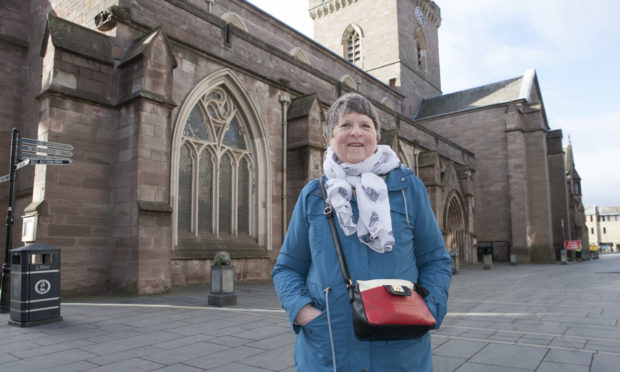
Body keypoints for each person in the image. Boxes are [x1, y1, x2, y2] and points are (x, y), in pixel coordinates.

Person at [272, 93, 452, 371]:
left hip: (401, 352)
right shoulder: (313, 195)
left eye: (365, 125)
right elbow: (287, 267)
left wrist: (431, 306)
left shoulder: (408, 188)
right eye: (345, 125)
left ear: (376, 136)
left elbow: (436, 260)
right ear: (330, 136)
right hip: (329, 350)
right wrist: (303, 313)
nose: (356, 132)